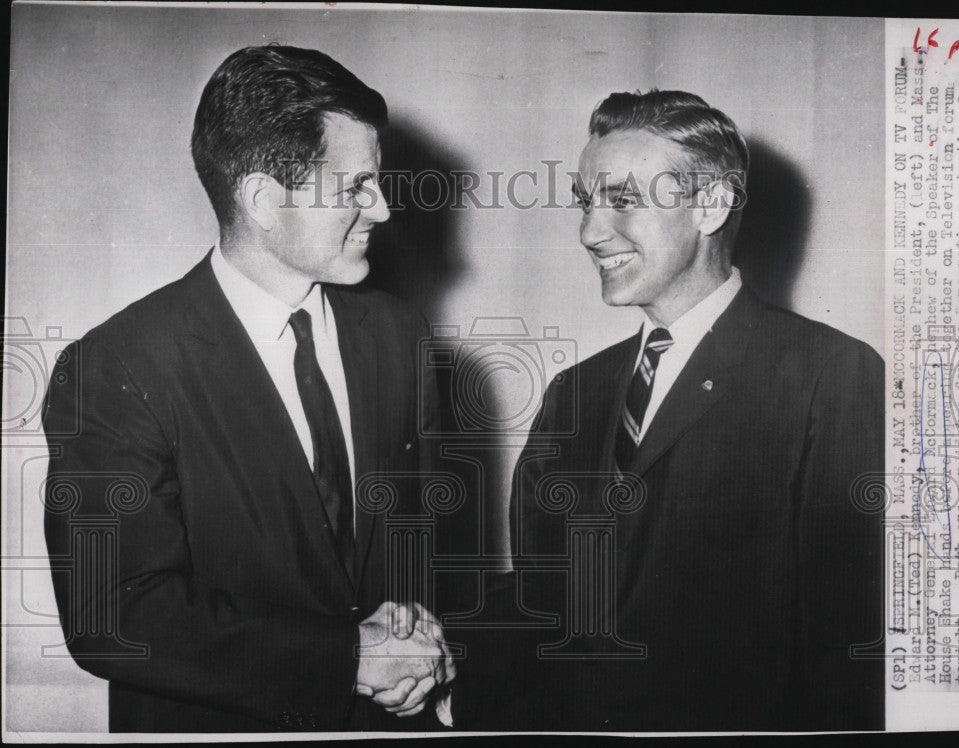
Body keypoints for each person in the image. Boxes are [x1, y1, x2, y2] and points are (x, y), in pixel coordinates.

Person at [42, 45, 453, 733]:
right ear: (263, 199)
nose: (381, 209)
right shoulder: (117, 365)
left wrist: (423, 659)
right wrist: (345, 657)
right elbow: (115, 614)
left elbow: (422, 542)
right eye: (354, 187)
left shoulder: (399, 335)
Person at [459, 90, 884, 731]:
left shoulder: (829, 374)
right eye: (585, 203)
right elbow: (537, 604)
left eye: (623, 200)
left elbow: (848, 647)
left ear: (711, 205)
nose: (590, 232)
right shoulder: (574, 392)